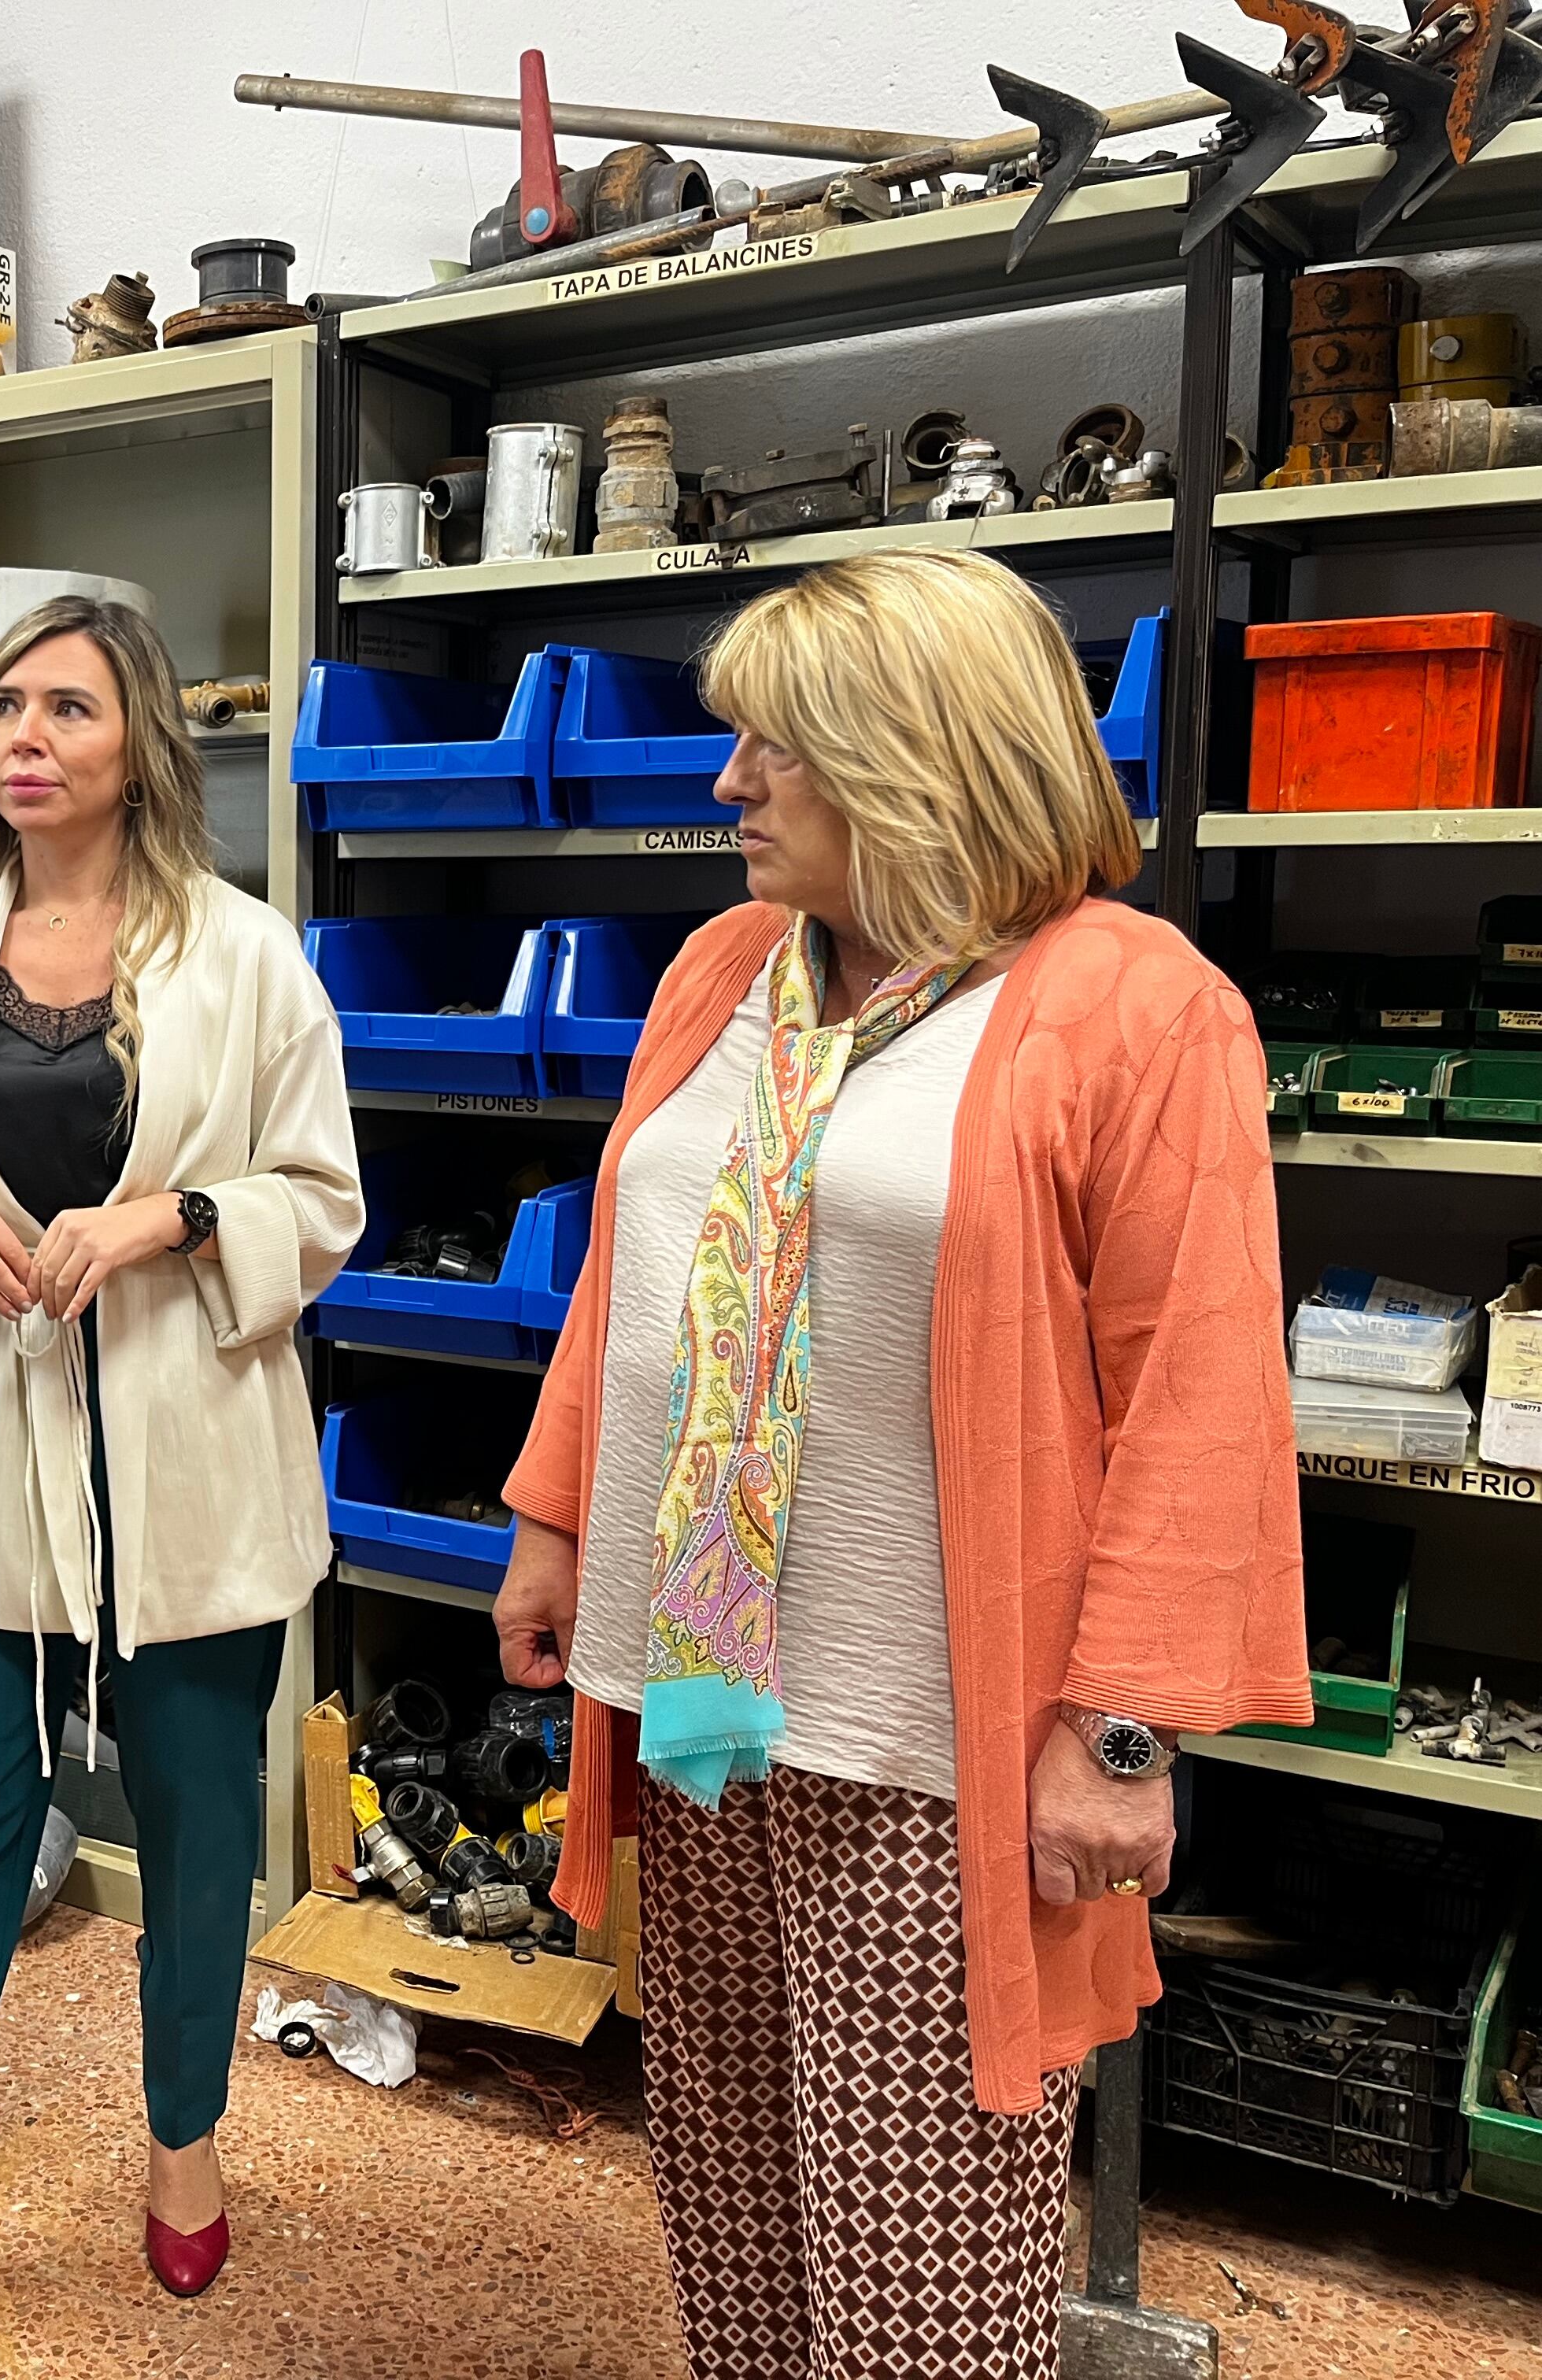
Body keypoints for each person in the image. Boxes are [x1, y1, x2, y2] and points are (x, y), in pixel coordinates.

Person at [490, 548, 1312, 2380]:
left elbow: (1200, 1398)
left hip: (933, 1738)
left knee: (923, 2275)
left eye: (771, 748)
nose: (726, 785)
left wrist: (1116, 1733)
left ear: (910, 753)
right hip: (704, 1696)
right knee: (739, 2211)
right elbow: (635, 1274)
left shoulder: (1135, 1004)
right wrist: (555, 1524)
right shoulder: (727, 971)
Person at [0, 596, 361, 2371]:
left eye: (68, 706)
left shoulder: (246, 955)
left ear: (138, 747)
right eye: (4, 708)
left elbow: (324, 1197)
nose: (25, 735)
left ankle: (184, 2151)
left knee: (201, 1844)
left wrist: (177, 1219)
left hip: (195, 1471)